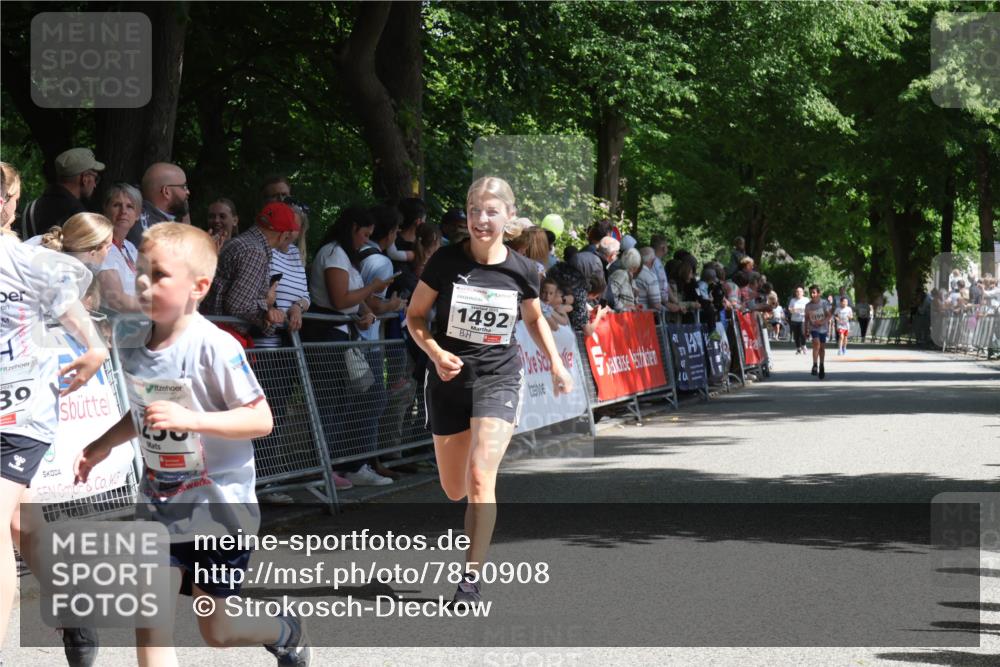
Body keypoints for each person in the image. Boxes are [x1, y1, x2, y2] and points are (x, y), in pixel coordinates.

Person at [72, 223, 310, 666]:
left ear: (199, 286)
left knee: (218, 632)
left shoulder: (215, 346)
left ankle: (284, 629)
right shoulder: (137, 348)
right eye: (140, 272)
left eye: (158, 274)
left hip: (219, 512)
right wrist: (101, 444)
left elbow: (261, 419)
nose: (143, 282)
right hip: (161, 508)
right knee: (152, 624)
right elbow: (144, 413)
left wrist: (193, 420)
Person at [405, 176, 572, 606]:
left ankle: (469, 582)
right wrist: (436, 351)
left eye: (491, 211)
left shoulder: (523, 270)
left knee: (481, 477)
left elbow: (534, 319)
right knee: (454, 488)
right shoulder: (445, 262)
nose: (481, 220)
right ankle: (470, 541)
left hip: (499, 377)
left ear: (509, 216)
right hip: (447, 381)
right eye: (475, 210)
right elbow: (415, 317)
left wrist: (555, 363)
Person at [1, 162, 108, 662]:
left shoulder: (25, 259)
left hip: (19, 409)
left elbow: (67, 300)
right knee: (21, 525)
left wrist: (95, 347)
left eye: (9, 196)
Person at [304, 207, 395, 487]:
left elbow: (350, 301)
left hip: (341, 336)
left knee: (346, 400)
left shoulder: (345, 256)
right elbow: (341, 299)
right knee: (332, 402)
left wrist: (363, 312)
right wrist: (374, 288)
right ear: (353, 228)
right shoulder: (333, 254)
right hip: (326, 338)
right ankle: (326, 468)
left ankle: (342, 464)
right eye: (364, 235)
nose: (365, 241)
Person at [200, 202, 300, 341]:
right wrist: (267, 307)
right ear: (283, 235)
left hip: (212, 331)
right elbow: (238, 305)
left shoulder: (241, 242)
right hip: (221, 337)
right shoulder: (255, 252)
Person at [18, 148, 104, 238]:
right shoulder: (78, 216)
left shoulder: (31, 207)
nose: (95, 185)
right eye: (95, 178)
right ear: (85, 179)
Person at [96, 183, 143, 313]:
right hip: (111, 326)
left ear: (138, 214)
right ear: (105, 210)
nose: (123, 211)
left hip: (138, 323)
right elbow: (116, 301)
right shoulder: (100, 247)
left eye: (130, 206)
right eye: (117, 205)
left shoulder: (130, 247)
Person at [127, 162, 191, 247]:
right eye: (184, 187)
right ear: (166, 192)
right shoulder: (147, 229)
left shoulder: (155, 220)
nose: (188, 192)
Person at [804, 284, 832, 379]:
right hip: (814, 328)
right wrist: (806, 330)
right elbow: (806, 319)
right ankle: (815, 364)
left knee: (822, 348)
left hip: (823, 328)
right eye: (811, 293)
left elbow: (829, 315)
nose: (812, 295)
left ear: (819, 293)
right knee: (816, 343)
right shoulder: (808, 306)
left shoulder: (824, 303)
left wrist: (822, 321)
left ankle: (822, 365)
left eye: (814, 293)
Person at [608, 247, 641, 311]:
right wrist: (624, 307)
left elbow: (631, 302)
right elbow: (610, 295)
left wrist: (636, 296)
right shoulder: (621, 274)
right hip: (617, 317)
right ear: (635, 265)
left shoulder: (631, 278)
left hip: (625, 317)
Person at [634, 247, 663, 313]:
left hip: (629, 315)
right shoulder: (650, 277)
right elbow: (656, 304)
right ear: (652, 261)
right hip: (644, 317)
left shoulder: (630, 272)